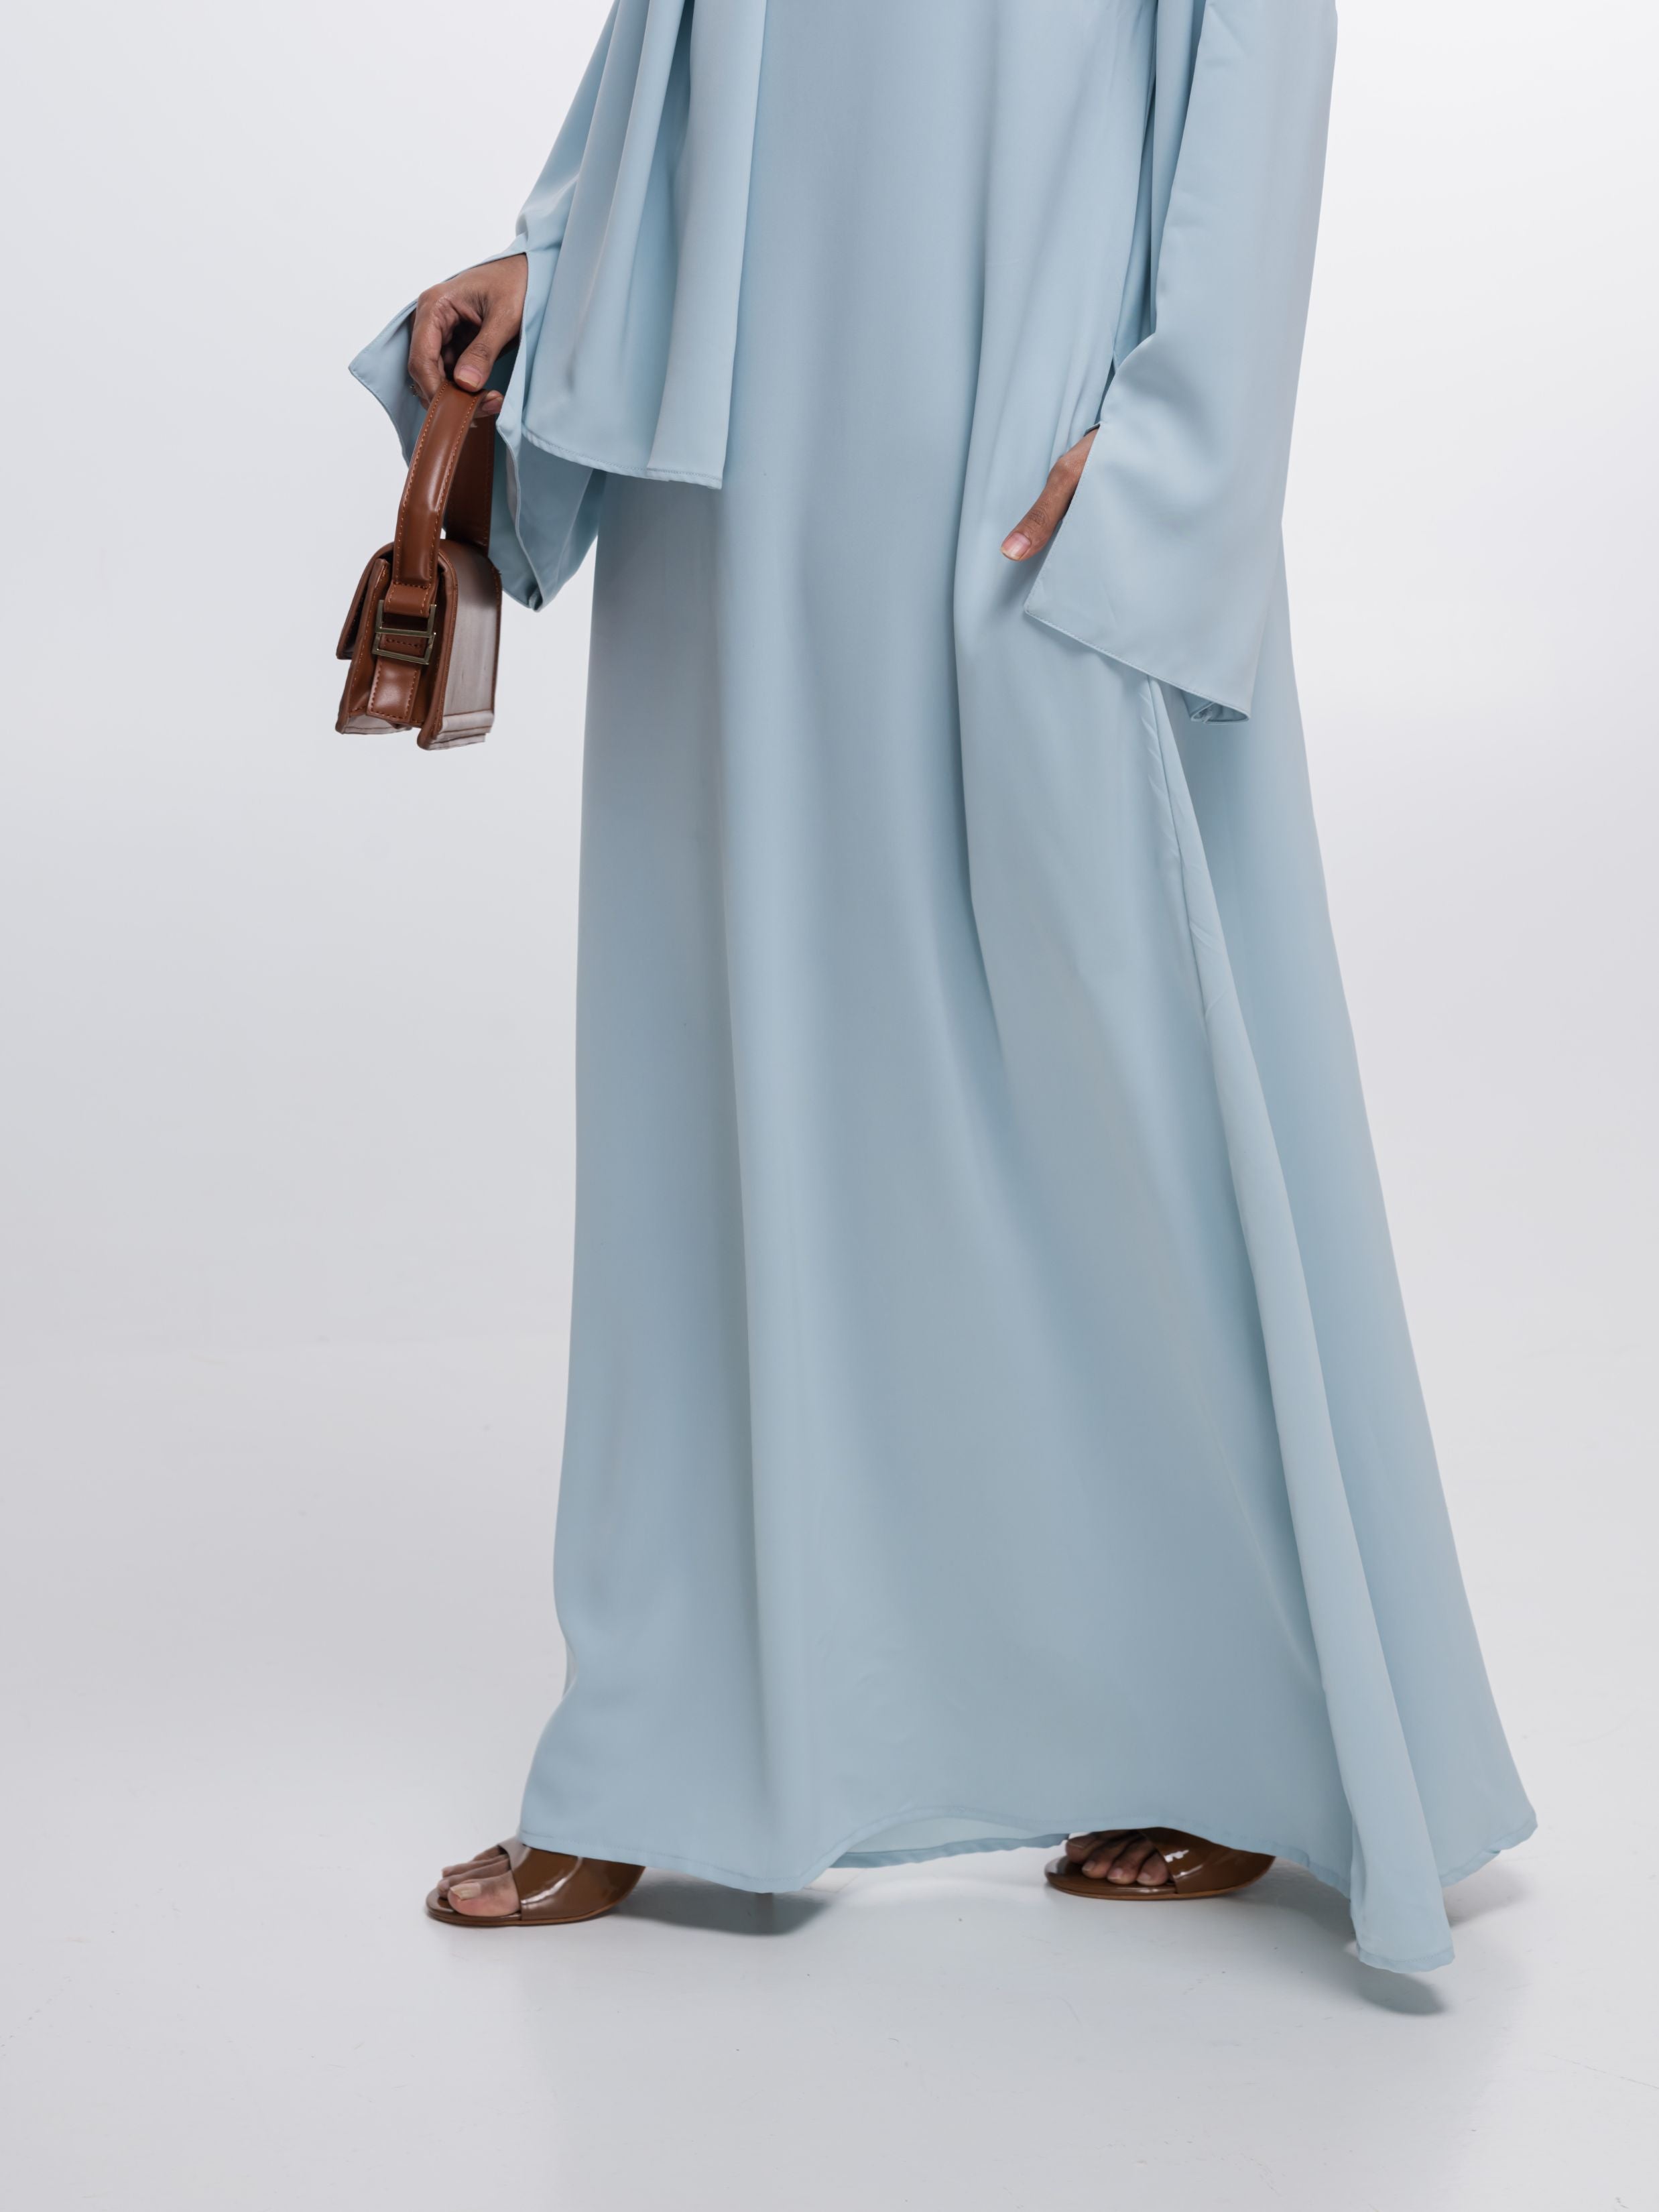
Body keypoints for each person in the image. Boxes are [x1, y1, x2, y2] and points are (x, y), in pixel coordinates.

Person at [352, 0, 1533, 1974]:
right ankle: (667, 1754)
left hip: (1018, 404)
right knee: (726, 1087)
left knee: (1119, 1076)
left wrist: (1181, 442)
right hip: (744, 417)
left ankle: (1227, 1722)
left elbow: (1260, 53)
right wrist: (566, 255)